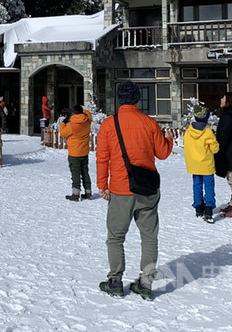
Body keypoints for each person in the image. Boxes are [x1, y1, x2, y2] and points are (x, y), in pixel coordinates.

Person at [97, 81, 173, 301]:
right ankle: (146, 283)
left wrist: (103, 184)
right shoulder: (149, 123)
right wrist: (167, 138)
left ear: (119, 99)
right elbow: (163, 153)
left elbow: (103, 157)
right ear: (138, 99)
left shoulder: (109, 125)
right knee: (149, 237)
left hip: (121, 189)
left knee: (116, 237)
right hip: (147, 189)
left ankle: (115, 281)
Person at [183, 105, 220, 223]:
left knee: (197, 185)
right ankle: (209, 208)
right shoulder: (207, 132)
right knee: (209, 187)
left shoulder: (189, 131)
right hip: (206, 164)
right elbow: (215, 149)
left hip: (194, 164)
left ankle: (198, 207)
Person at [59, 104, 93, 201]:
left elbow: (63, 133)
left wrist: (64, 121)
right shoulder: (87, 121)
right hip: (84, 152)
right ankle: (88, 192)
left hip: (74, 153)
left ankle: (75, 194)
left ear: (73, 113)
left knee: (75, 173)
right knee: (85, 172)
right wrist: (78, 112)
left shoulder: (71, 124)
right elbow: (88, 113)